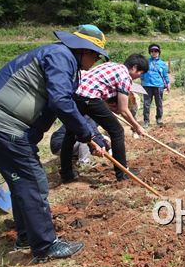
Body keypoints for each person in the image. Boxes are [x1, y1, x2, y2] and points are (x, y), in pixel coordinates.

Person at [0, 24, 108, 262]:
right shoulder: (61, 57)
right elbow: (61, 102)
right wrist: (86, 136)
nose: (95, 60)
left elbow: (64, 104)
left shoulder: (58, 58)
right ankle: (45, 246)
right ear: (83, 49)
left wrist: (93, 137)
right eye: (95, 54)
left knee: (22, 182)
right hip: (3, 124)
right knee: (34, 182)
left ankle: (26, 236)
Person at [60, 54, 149, 183]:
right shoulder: (125, 77)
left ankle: (66, 173)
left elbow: (115, 104)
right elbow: (124, 109)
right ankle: (122, 173)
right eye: (140, 73)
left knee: (70, 133)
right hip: (90, 97)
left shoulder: (112, 65)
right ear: (134, 68)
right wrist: (137, 126)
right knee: (117, 131)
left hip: (75, 95)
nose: (139, 76)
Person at [141, 44, 170, 128]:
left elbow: (165, 75)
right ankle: (146, 121)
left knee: (159, 103)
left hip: (159, 86)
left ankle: (159, 118)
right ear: (150, 52)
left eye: (156, 51)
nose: (154, 53)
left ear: (159, 52)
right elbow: (142, 73)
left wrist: (168, 85)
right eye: (152, 51)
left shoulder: (162, 63)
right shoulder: (146, 62)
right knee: (146, 104)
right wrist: (142, 82)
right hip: (147, 85)